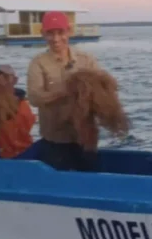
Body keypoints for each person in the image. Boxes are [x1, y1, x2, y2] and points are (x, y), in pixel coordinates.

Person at [26, 10, 102, 171]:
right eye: (50, 33)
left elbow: (101, 90)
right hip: (55, 140)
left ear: (69, 32)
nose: (56, 39)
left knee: (89, 177)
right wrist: (64, 93)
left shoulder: (86, 60)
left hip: (85, 139)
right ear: (43, 34)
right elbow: (34, 98)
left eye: (60, 33)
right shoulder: (38, 63)